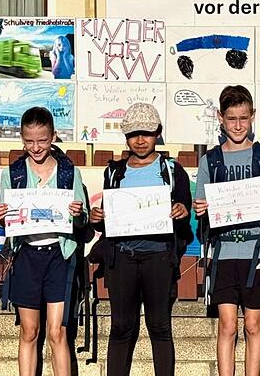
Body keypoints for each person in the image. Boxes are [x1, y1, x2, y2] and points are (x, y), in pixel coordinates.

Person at [88, 103, 193, 376]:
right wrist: (98, 217)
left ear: (157, 132)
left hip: (159, 257)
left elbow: (185, 207)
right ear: (125, 136)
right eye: (134, 133)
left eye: (147, 132)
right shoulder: (114, 171)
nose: (140, 139)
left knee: (159, 327)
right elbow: (110, 215)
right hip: (122, 258)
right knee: (121, 327)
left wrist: (181, 210)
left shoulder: (172, 170)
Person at [193, 85, 260, 376]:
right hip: (223, 253)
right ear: (221, 118)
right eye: (231, 118)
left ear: (253, 117)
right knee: (228, 325)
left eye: (243, 118)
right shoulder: (209, 160)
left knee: (253, 324)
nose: (237, 125)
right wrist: (202, 209)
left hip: (256, 252)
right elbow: (201, 205)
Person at [0, 106, 87, 376]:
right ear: (22, 139)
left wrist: (78, 214)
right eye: (29, 141)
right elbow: (7, 221)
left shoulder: (69, 172)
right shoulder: (12, 174)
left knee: (57, 332)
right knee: (29, 331)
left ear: (53, 137)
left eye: (42, 141)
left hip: (59, 254)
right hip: (26, 255)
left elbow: (81, 222)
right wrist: (2, 218)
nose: (36, 147)